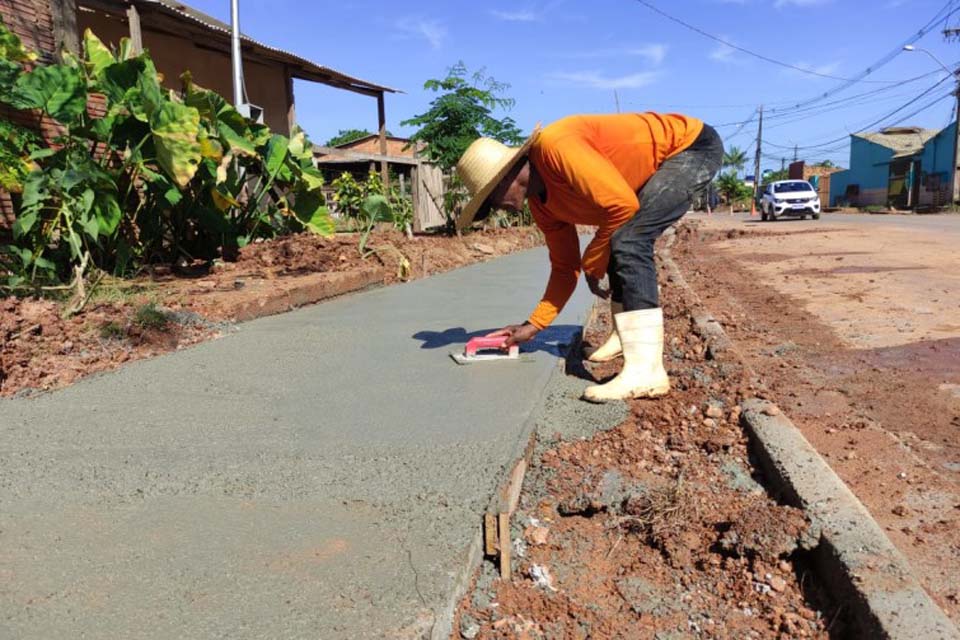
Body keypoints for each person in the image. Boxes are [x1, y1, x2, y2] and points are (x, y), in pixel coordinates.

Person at [455, 112, 723, 402]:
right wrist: (532, 326)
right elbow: (564, 267)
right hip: (655, 169)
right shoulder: (543, 208)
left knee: (628, 239)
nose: (497, 208)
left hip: (690, 147)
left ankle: (647, 371)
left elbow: (621, 206)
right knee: (616, 238)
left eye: (491, 199)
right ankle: (625, 336)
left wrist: (593, 260)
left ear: (506, 176)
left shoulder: (556, 149)